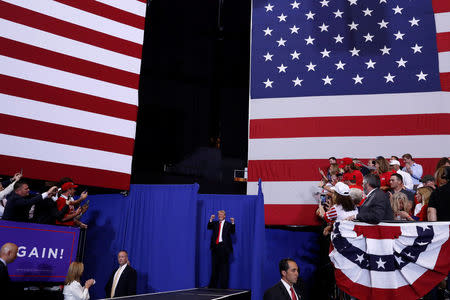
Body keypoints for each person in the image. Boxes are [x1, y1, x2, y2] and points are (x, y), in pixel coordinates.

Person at [207, 210, 235, 289]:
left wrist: (233, 222)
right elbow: (209, 226)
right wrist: (211, 219)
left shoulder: (228, 224)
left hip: (224, 248)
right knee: (214, 267)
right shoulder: (215, 223)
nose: (220, 215)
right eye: (219, 214)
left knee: (224, 268)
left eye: (221, 214)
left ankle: (224, 286)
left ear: (224, 216)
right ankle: (213, 286)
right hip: (215, 248)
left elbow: (232, 232)